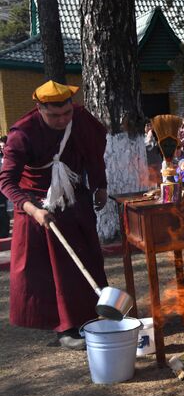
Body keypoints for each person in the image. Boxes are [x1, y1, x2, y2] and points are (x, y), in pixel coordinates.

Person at [0, 80, 109, 349]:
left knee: (88, 260)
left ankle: (94, 316)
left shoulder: (82, 120)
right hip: (39, 206)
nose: (62, 120)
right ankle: (66, 329)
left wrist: (100, 185)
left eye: (66, 113)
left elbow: (94, 153)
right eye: (54, 115)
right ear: (39, 108)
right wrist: (33, 210)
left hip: (75, 200)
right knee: (57, 271)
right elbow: (6, 181)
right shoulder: (22, 134)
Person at [0, 135, 10, 237]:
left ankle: (4, 232)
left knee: (2, 211)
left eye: (4, 147)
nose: (3, 150)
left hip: (3, 189)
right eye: (1, 148)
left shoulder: (9, 158)